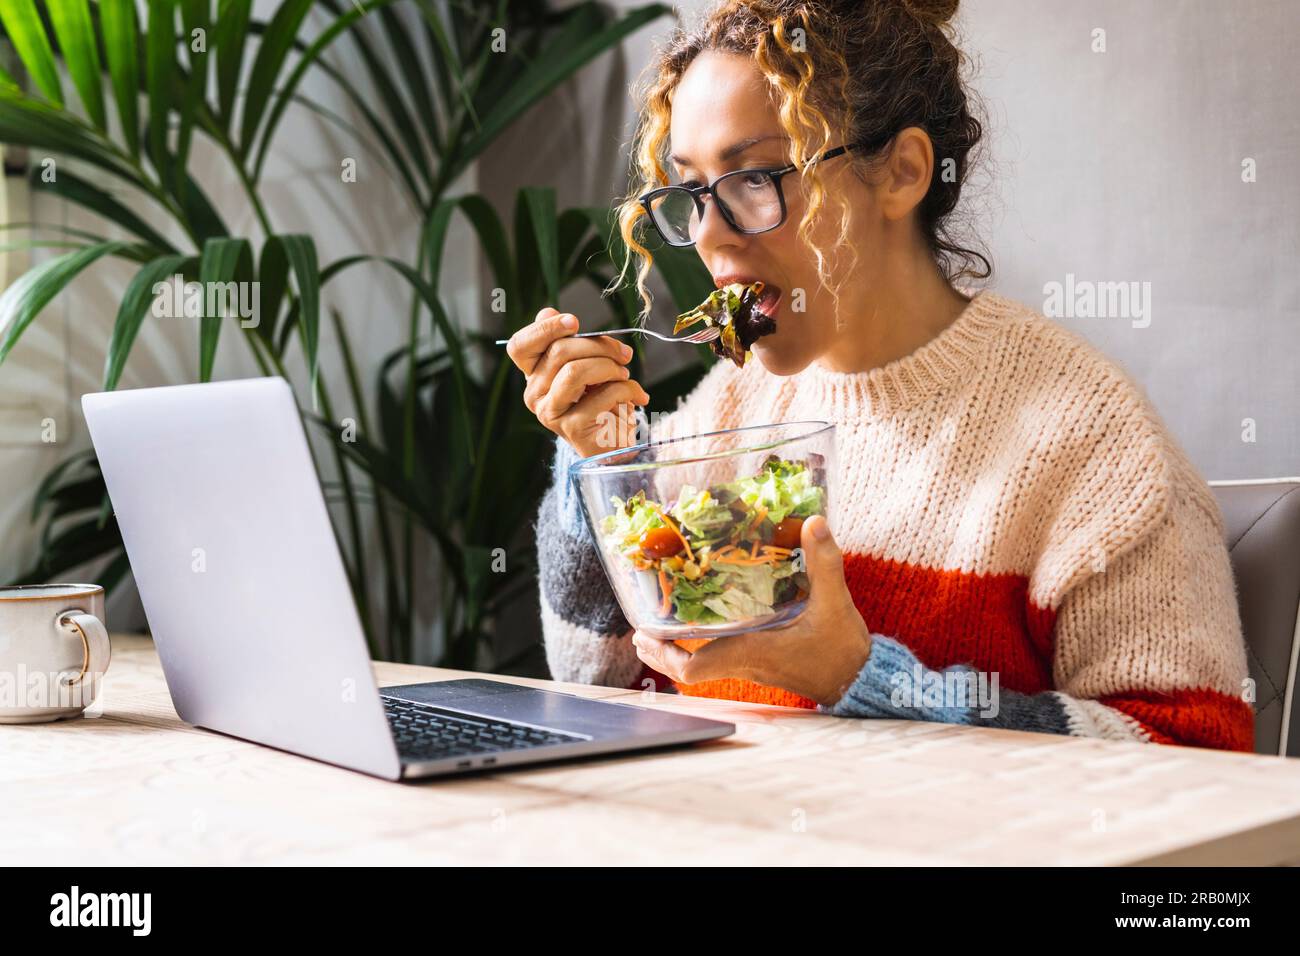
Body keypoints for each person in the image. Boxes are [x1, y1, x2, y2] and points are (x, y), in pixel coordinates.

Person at [505, 0, 1253, 751]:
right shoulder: (728, 410)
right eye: (694, 191)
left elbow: (1200, 760)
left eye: (755, 179)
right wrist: (598, 459)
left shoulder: (1086, 435)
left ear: (901, 173)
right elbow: (599, 688)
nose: (706, 234)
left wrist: (858, 676)